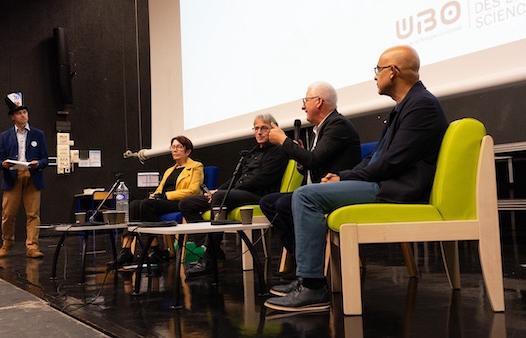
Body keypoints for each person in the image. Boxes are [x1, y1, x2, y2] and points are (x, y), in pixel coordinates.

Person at [264, 45, 449, 312]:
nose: (375, 76)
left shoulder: (421, 105)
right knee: (303, 196)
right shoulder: (406, 106)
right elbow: (377, 157)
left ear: (393, 72)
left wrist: (345, 177)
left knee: (306, 196)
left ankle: (313, 287)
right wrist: (343, 175)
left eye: (378, 70)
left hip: (397, 189)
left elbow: (392, 162)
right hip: (387, 182)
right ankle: (306, 280)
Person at [260, 81, 361, 280]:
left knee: (282, 203)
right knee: (268, 202)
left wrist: (284, 141)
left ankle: (307, 267)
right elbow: (313, 163)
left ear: (319, 102)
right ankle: (302, 258)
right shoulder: (322, 129)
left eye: (306, 100)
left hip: (336, 191)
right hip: (316, 192)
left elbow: (313, 160)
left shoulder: (337, 125)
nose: (302, 106)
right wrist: (299, 153)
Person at [179, 113, 289, 277]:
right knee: (187, 204)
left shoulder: (278, 152)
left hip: (259, 196)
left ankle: (209, 259)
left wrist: (226, 191)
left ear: (274, 129)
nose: (259, 132)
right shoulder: (250, 153)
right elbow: (235, 177)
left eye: (264, 128)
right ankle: (214, 250)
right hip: (237, 193)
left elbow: (262, 179)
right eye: (256, 128)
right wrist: (217, 190)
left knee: (221, 197)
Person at [108, 136, 204, 269]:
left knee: (147, 205)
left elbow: (193, 191)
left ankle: (155, 249)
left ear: (187, 151)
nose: (175, 150)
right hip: (164, 201)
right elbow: (160, 189)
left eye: (179, 147)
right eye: (173, 147)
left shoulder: (196, 167)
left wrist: (165, 196)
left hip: (182, 202)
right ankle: (126, 250)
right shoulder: (169, 170)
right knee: (135, 204)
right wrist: (156, 195)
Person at [0, 92, 49, 258]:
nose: (23, 115)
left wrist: (38, 164)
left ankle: (32, 246)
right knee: (8, 214)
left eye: (25, 112)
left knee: (33, 214)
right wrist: (3, 164)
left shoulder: (38, 134)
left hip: (32, 176)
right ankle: (7, 242)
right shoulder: (5, 136)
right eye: (19, 113)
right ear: (13, 117)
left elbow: (45, 159)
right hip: (13, 175)